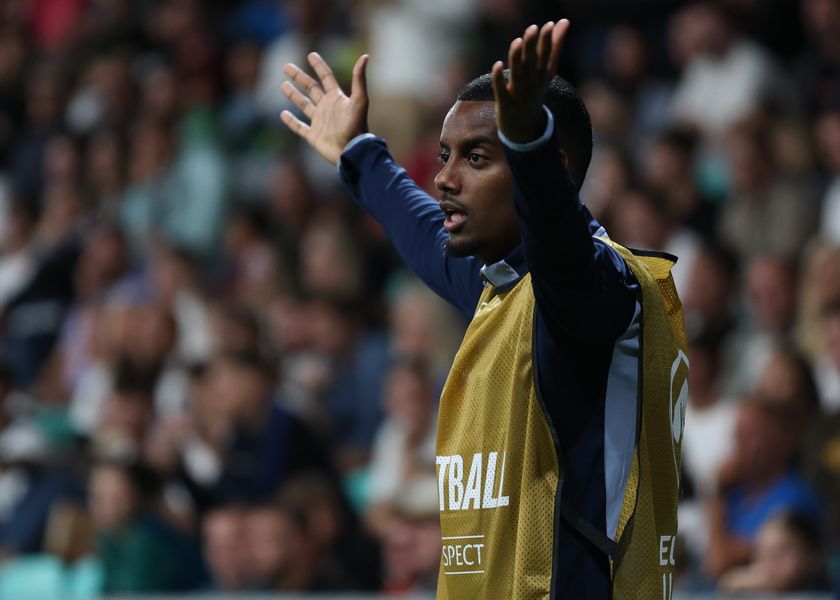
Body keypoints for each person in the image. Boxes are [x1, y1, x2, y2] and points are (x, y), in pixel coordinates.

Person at [280, 20, 687, 599]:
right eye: (445, 155)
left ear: (554, 167)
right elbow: (422, 231)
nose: (444, 178)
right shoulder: (506, 289)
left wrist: (530, 149)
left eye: (476, 158)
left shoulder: (602, 288)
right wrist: (358, 151)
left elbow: (563, 250)